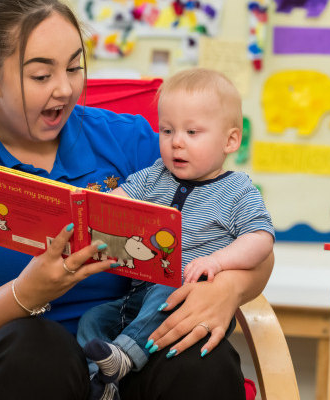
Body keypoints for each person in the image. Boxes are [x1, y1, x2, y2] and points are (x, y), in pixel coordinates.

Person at [0, 2, 274, 399]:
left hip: (127, 347)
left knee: (200, 359)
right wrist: (27, 292)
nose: (64, 89)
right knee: (39, 351)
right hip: (7, 355)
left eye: (74, 67)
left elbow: (251, 239)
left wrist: (229, 290)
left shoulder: (131, 140)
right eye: (42, 75)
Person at [76, 68, 275, 400]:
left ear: (230, 140)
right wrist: (86, 209)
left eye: (192, 132)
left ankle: (124, 357)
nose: (176, 141)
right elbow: (115, 202)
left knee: (170, 287)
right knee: (93, 320)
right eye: (166, 130)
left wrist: (217, 261)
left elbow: (260, 238)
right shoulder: (155, 175)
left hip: (193, 299)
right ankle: (103, 380)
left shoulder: (239, 190)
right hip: (138, 297)